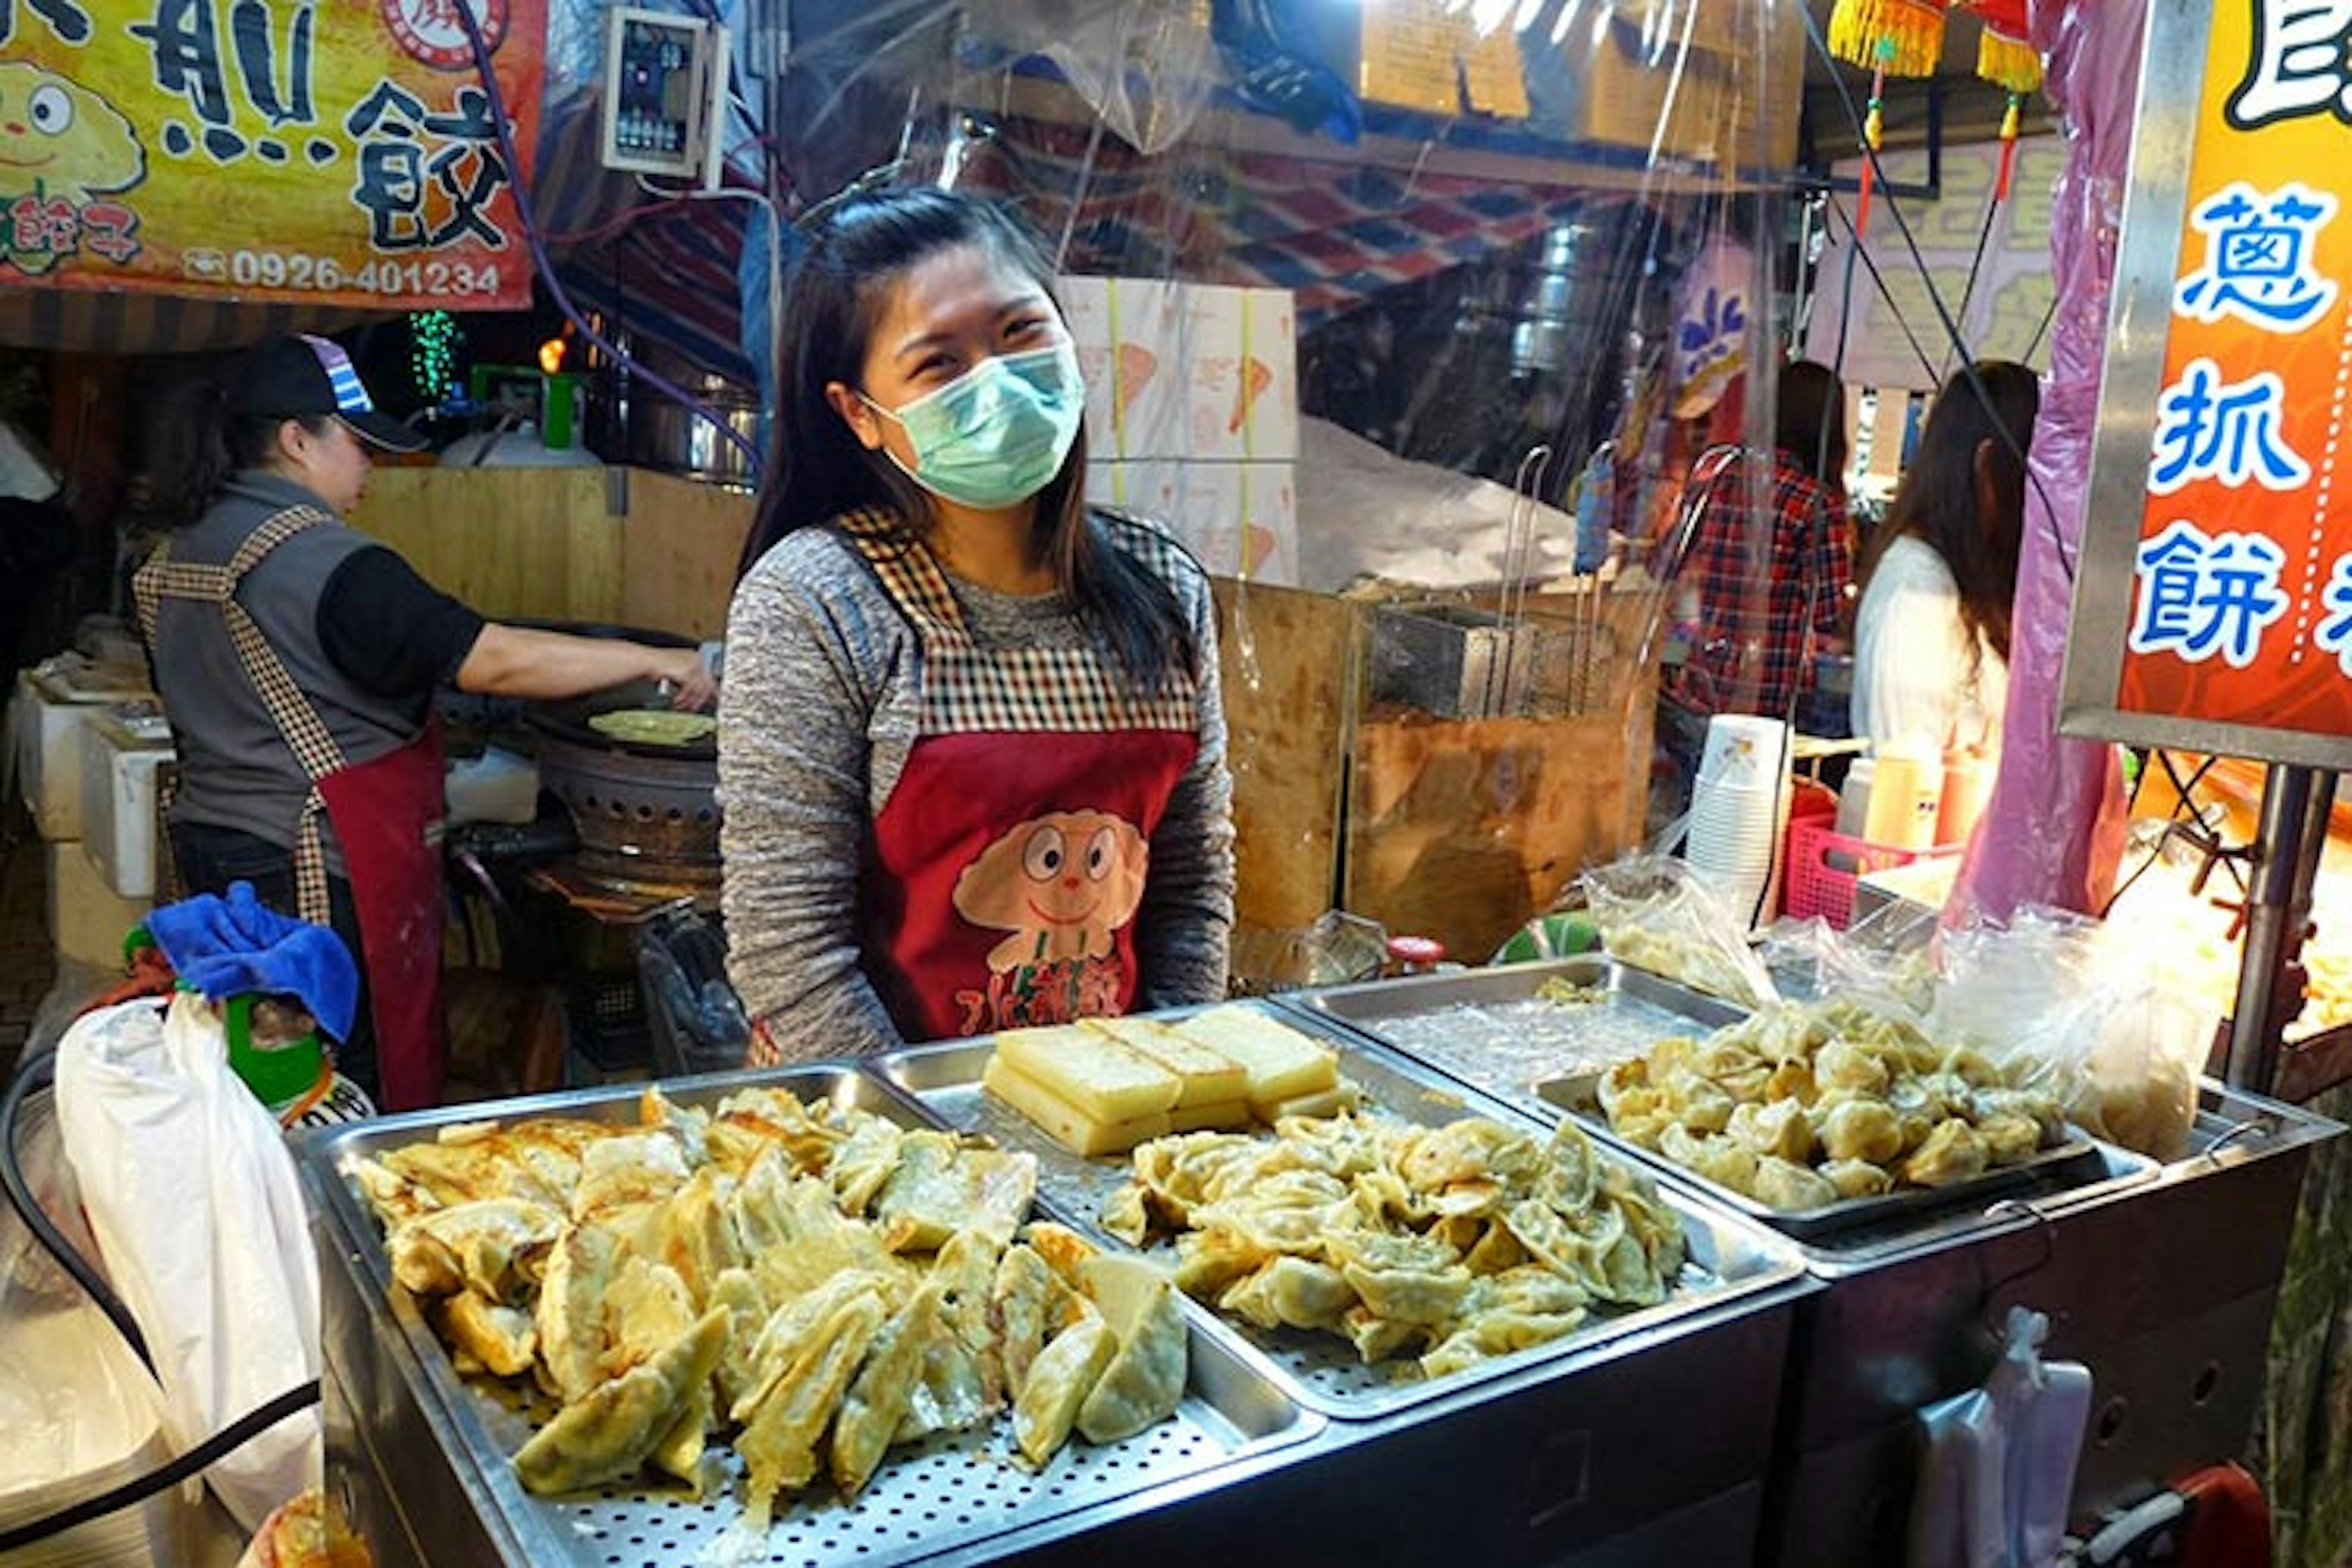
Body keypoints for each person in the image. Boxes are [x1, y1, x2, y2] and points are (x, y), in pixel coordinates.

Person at [720, 187, 1235, 1063]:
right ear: (858, 414)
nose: (994, 380)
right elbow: (790, 953)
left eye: (1018, 333)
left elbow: (1191, 888)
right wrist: (939, 1149)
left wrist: (1158, 1084)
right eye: (938, 365)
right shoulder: (818, 601)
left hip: (1101, 1118)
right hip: (878, 1133)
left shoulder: (1165, 587)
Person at [136, 334, 715, 1110]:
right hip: (314, 869)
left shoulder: (168, 558)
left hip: (217, 860)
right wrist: (663, 662)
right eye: (356, 442)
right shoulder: (329, 563)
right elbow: (495, 661)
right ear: (296, 439)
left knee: (254, 1083)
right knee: (339, 1090)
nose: (371, 466)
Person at [1850, 360, 2038, 756]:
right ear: (1989, 468)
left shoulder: (1974, 582)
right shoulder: (1916, 588)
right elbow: (1905, 770)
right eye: (2033, 480)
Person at [1673, 358, 1854, 723]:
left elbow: (1677, 565)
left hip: (1700, 683)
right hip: (1766, 699)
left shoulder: (1719, 479)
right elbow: (1829, 613)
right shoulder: (1814, 503)